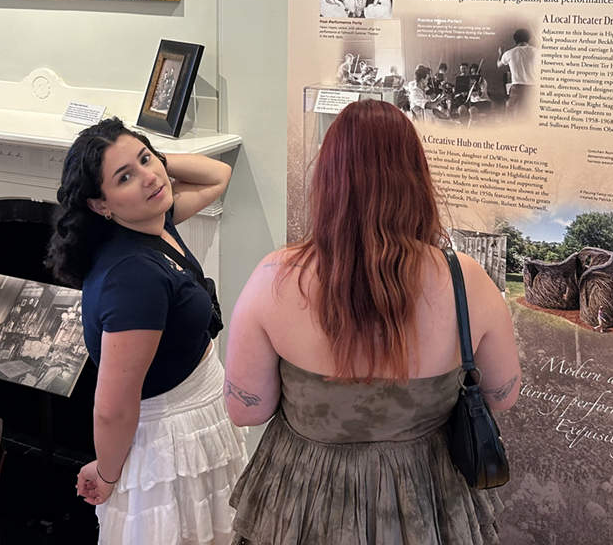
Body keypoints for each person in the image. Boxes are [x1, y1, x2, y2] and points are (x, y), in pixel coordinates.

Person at [223, 100, 520, 545]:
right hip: (427, 499)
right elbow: (502, 396)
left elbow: (247, 410)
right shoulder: (468, 282)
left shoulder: (275, 279)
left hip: (304, 499)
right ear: (417, 179)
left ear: (327, 180)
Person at [46, 118, 247, 545]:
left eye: (145, 159)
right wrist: (106, 472)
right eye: (125, 177)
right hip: (169, 443)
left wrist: (152, 166)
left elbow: (219, 175)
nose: (148, 177)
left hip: (197, 422)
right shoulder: (131, 277)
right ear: (101, 205)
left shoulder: (152, 221)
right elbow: (112, 407)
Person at [498, 29, 537, 116]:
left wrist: (500, 54)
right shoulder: (537, 51)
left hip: (517, 88)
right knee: (532, 115)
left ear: (515, 40)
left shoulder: (509, 53)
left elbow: (498, 64)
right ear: (529, 39)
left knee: (514, 115)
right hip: (533, 88)